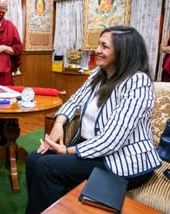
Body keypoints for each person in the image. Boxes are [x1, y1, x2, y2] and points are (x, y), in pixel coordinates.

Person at [25, 26, 162, 214]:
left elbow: (112, 139)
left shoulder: (138, 82)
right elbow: (74, 100)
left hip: (121, 159)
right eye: (99, 44)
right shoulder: (99, 73)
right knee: (33, 159)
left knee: (46, 167)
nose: (97, 50)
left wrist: (66, 150)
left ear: (123, 52)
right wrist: (59, 123)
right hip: (93, 148)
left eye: (104, 46)